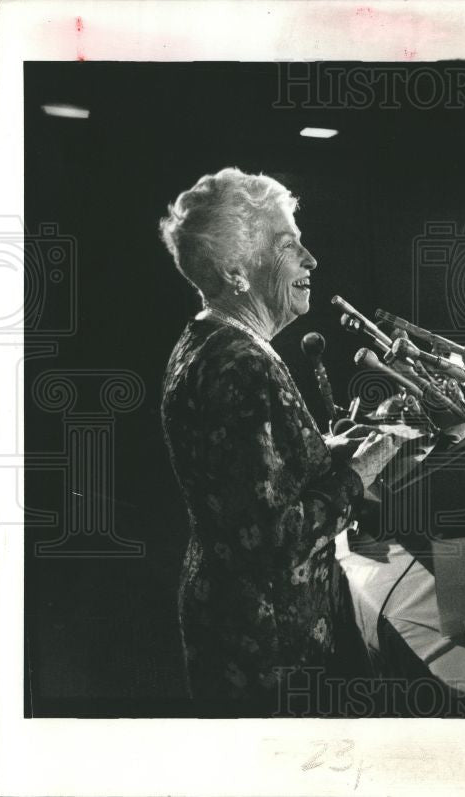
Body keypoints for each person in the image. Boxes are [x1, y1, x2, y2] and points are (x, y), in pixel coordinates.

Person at [158, 168, 397, 712]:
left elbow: (251, 478)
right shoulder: (242, 364)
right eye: (292, 247)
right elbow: (274, 539)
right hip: (267, 640)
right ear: (238, 271)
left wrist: (332, 450)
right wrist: (364, 470)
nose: (311, 260)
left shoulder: (208, 339)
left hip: (233, 618)